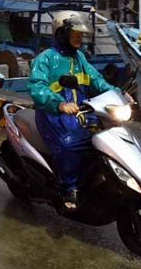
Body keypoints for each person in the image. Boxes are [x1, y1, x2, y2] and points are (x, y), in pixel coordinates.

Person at [28, 11, 120, 211]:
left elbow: (96, 80)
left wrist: (118, 94)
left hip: (81, 113)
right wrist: (59, 104)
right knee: (70, 145)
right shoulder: (46, 58)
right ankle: (69, 187)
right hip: (53, 115)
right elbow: (37, 87)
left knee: (103, 139)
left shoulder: (79, 57)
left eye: (81, 33)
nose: (79, 36)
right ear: (61, 33)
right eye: (74, 32)